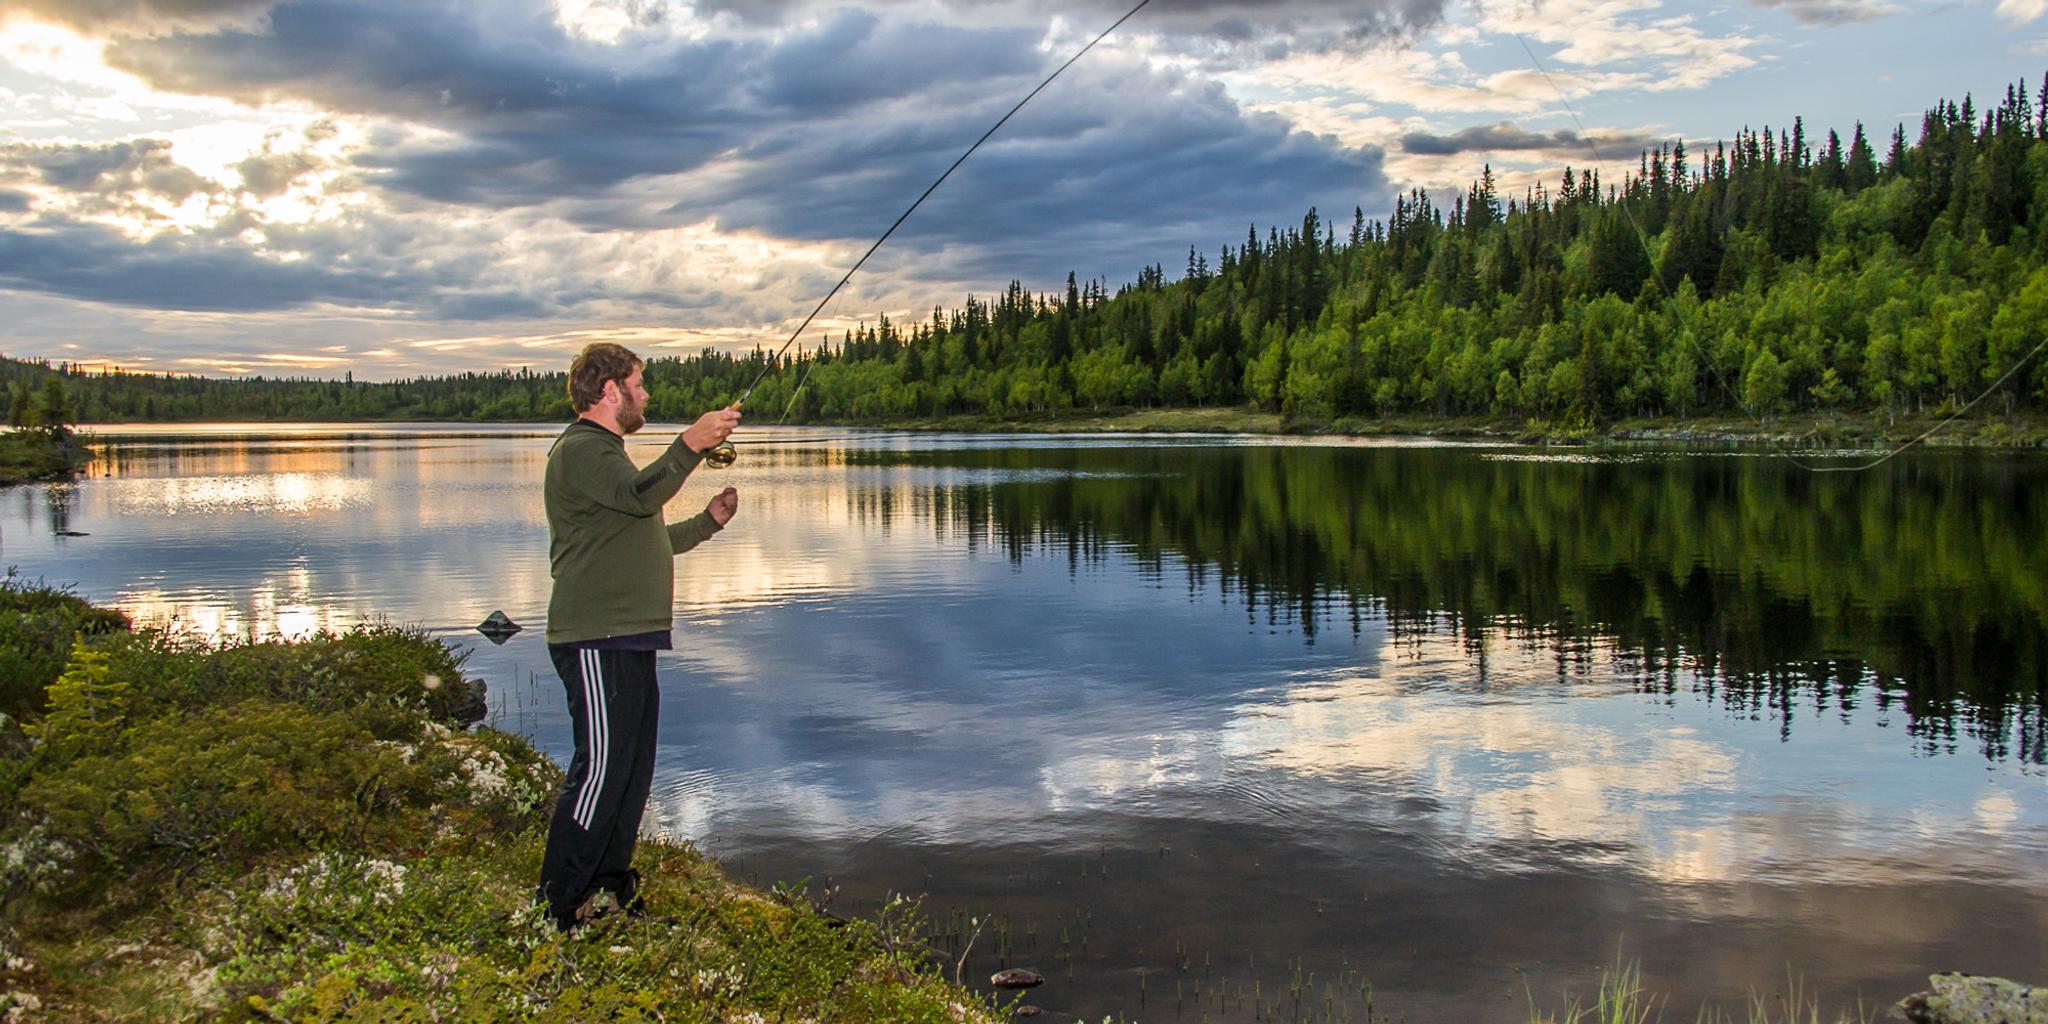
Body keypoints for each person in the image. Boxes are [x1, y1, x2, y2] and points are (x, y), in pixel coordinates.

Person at [537, 341, 741, 929]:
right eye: (639, 383)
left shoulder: (608, 454)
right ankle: (557, 907)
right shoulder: (582, 451)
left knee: (630, 772)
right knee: (600, 770)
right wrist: (691, 444)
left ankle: (607, 894)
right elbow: (638, 496)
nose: (646, 393)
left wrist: (708, 523)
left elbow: (646, 535)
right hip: (595, 636)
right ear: (610, 391)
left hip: (629, 637)